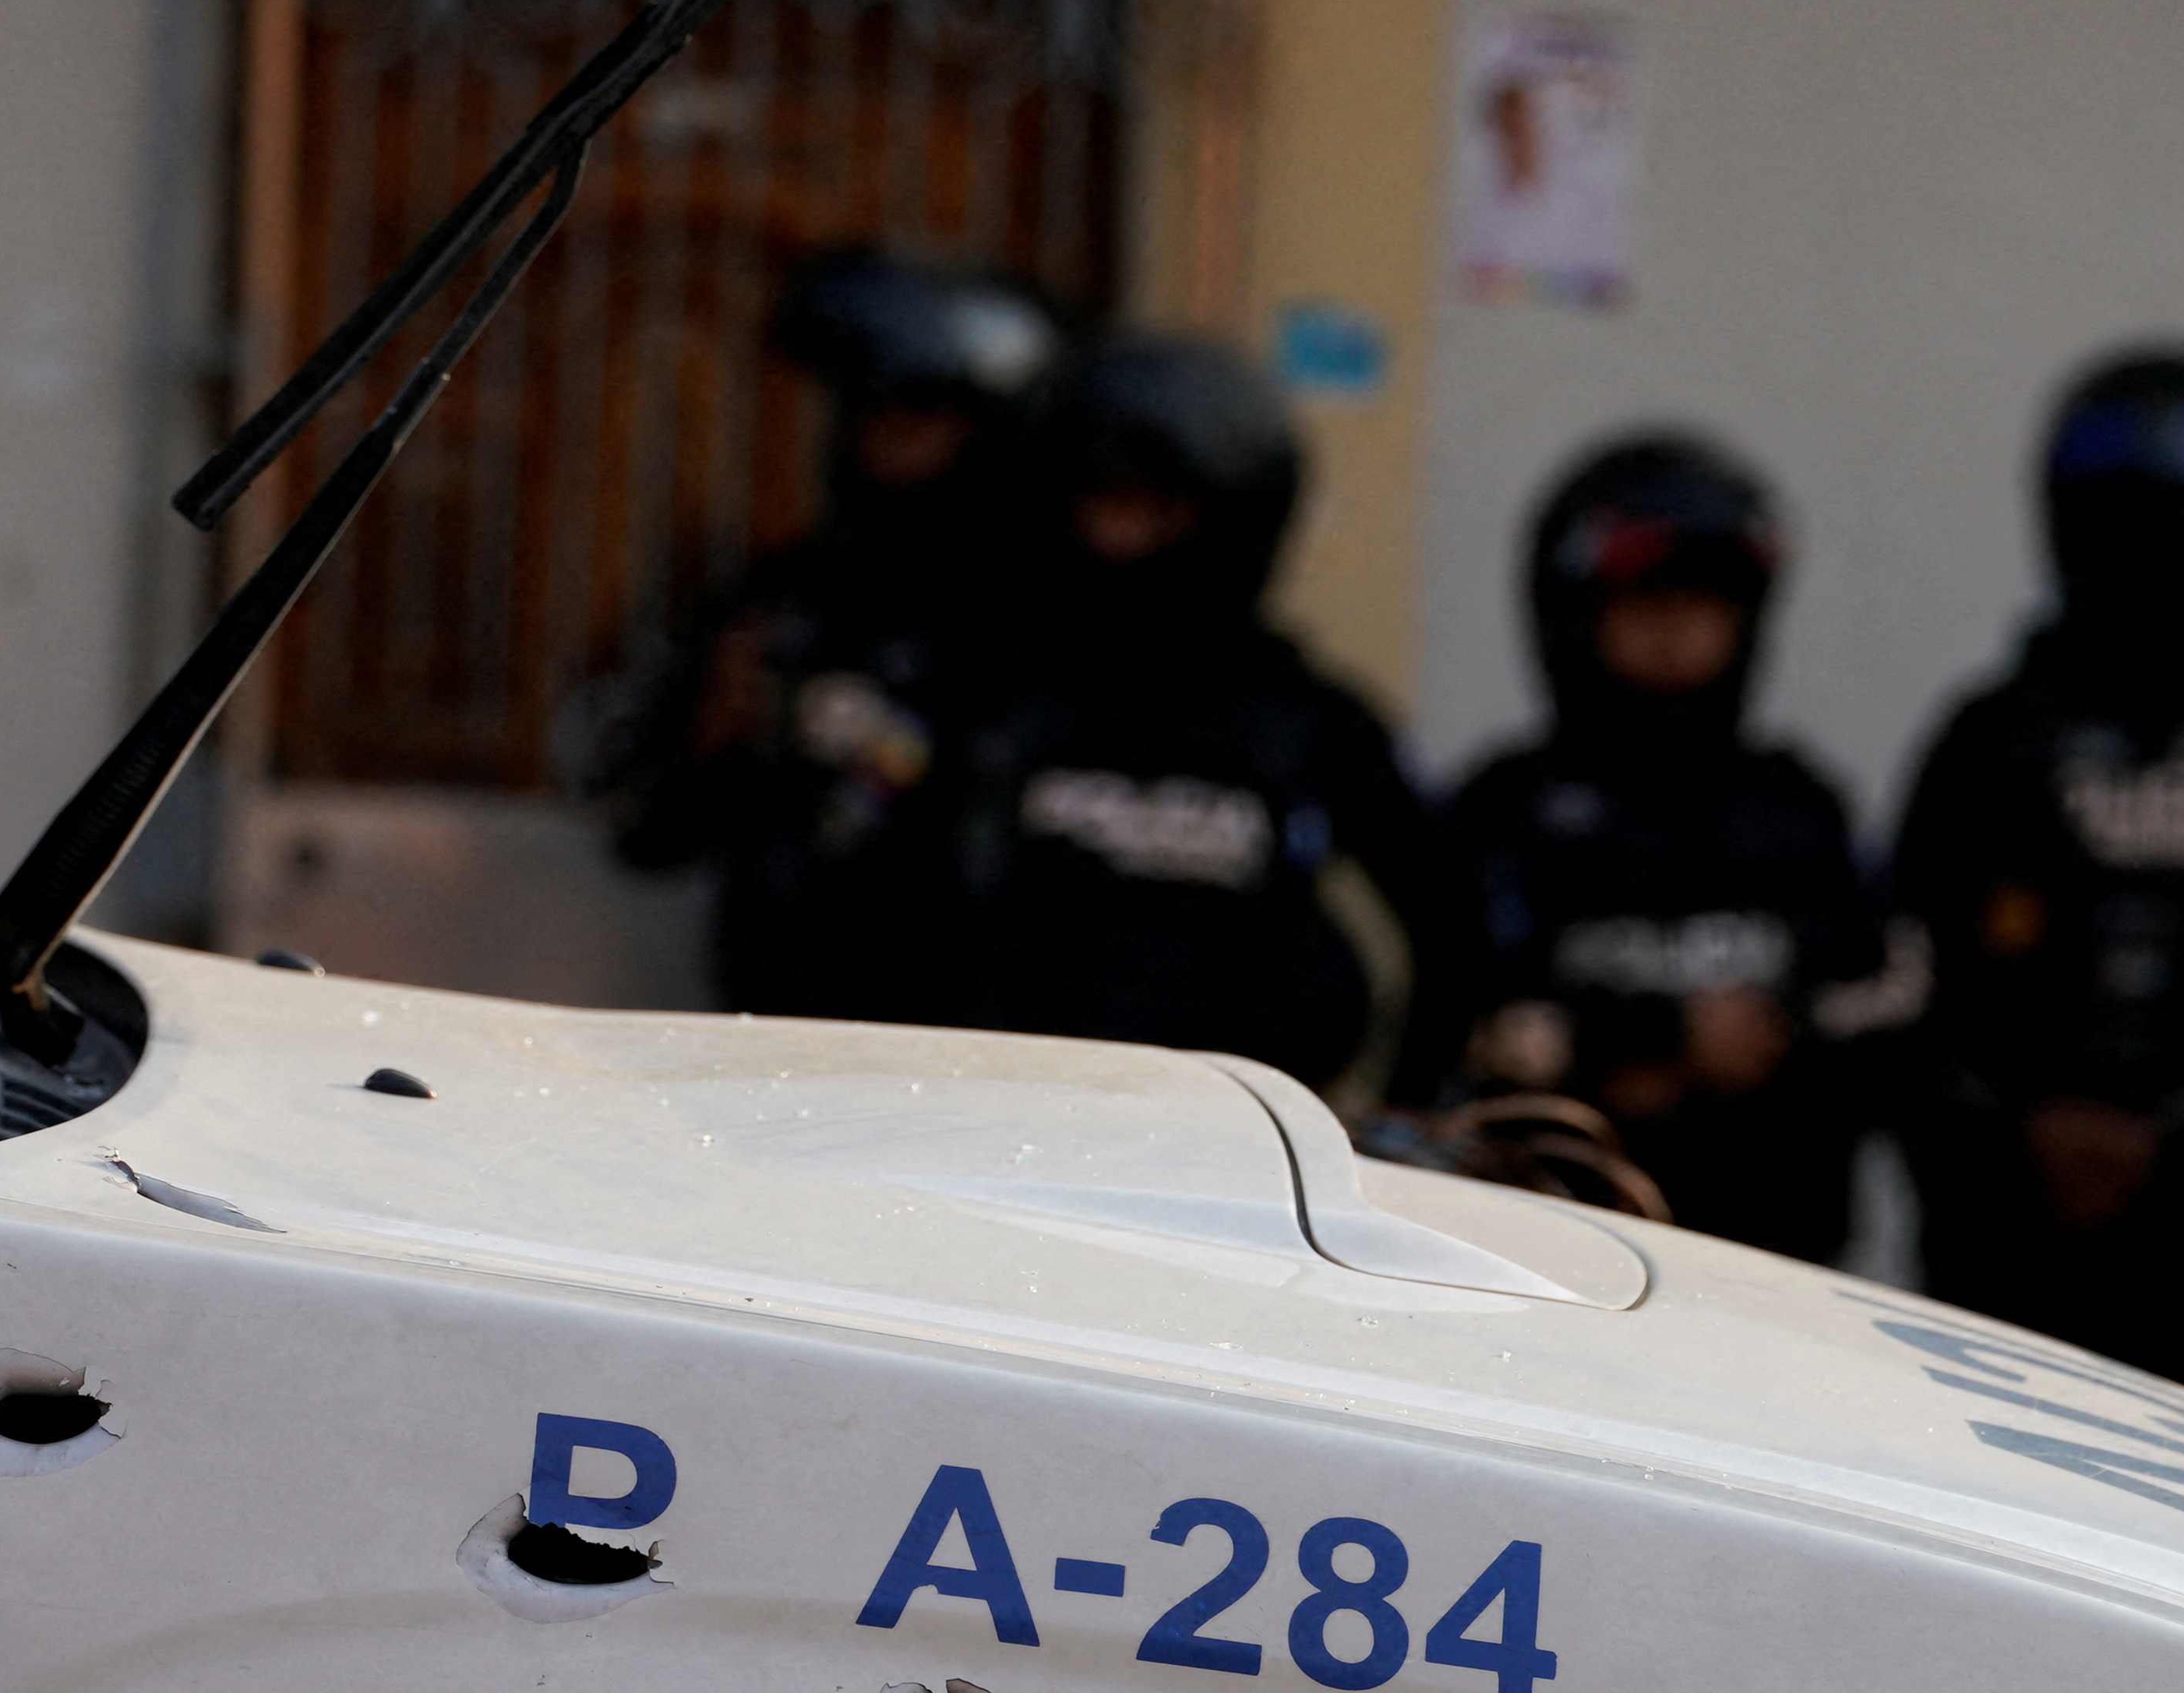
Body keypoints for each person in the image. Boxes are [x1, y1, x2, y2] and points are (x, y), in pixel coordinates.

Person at [1893, 347, 2184, 1438]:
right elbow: (1899, 981)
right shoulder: (1989, 740)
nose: (2154, 566)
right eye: (2123, 527)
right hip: (2006, 1262)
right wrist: (2024, 1130)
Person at [1423, 433, 1907, 1261]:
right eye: (1646, 603)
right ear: (1575, 616)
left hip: (1773, 1263)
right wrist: (1664, 1037)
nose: (1677, 633)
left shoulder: (1797, 806)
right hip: (1543, 1254)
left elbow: (1885, 1005)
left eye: (1707, 605)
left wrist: (1773, 1032)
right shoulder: (1505, 807)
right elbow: (1467, 1025)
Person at [946, 332, 1445, 1090]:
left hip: (1235, 1161)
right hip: (998, 1127)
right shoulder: (989, 695)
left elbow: (1452, 924)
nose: (1122, 538)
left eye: (1153, 508)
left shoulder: (1307, 721)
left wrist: (1412, 1115)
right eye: (1102, 504)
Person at [590, 249, 1053, 1021]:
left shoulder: (1049, 615)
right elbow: (649, 831)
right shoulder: (783, 597)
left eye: (919, 412)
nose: (886, 438)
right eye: (869, 409)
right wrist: (711, 728)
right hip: (784, 1032)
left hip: (982, 1048)